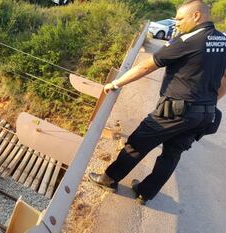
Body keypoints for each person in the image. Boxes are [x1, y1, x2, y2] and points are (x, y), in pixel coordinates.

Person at [89, 0, 226, 205]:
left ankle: (108, 179)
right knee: (171, 155)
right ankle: (145, 193)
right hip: (204, 114)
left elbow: (147, 66)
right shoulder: (222, 41)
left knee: (136, 144)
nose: (176, 23)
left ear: (196, 16)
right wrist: (209, 101)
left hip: (175, 111)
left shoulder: (188, 40)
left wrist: (116, 83)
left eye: (180, 19)